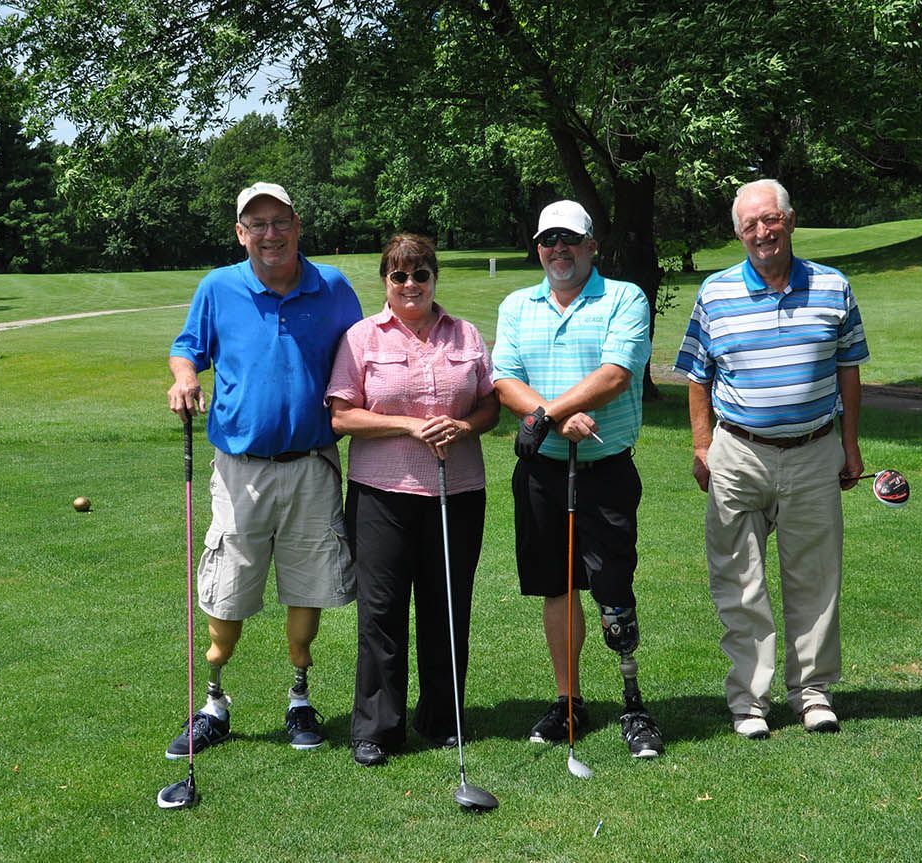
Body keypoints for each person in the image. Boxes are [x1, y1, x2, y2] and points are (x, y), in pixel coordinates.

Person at [165, 181, 362, 759]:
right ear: (240, 233)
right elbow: (187, 348)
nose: (270, 234)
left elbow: (362, 355)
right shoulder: (218, 286)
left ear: (297, 226)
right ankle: (213, 703)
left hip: (312, 465)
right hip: (240, 468)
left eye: (280, 222)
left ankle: (299, 697)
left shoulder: (332, 287)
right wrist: (184, 377)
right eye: (257, 224)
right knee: (226, 592)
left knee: (309, 588)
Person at [674, 178, 870, 740]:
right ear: (739, 234)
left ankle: (813, 693)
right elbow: (696, 374)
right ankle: (749, 701)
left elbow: (849, 370)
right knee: (739, 581)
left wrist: (850, 444)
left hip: (813, 451)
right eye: (750, 225)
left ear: (790, 220)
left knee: (816, 578)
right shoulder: (715, 293)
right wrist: (701, 446)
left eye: (771, 219)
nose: (762, 232)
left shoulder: (833, 286)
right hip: (739, 452)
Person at [491, 199, 664, 759]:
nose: (557, 249)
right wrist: (556, 418)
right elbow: (504, 378)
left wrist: (545, 414)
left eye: (569, 238)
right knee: (557, 587)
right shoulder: (518, 305)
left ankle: (633, 702)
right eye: (548, 240)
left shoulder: (624, 297)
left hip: (605, 470)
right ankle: (570, 700)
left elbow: (616, 375)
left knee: (613, 588)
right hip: (541, 473)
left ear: (591, 245)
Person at [326, 234, 500, 767]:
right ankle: (378, 728)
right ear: (385, 280)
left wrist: (463, 426)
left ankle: (442, 718)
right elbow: (342, 416)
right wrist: (408, 425)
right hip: (381, 496)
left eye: (420, 274)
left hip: (457, 492)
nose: (410, 284)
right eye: (399, 275)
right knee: (381, 612)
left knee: (446, 606)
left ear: (434, 278)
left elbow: (490, 406)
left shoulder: (465, 334)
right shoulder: (362, 338)